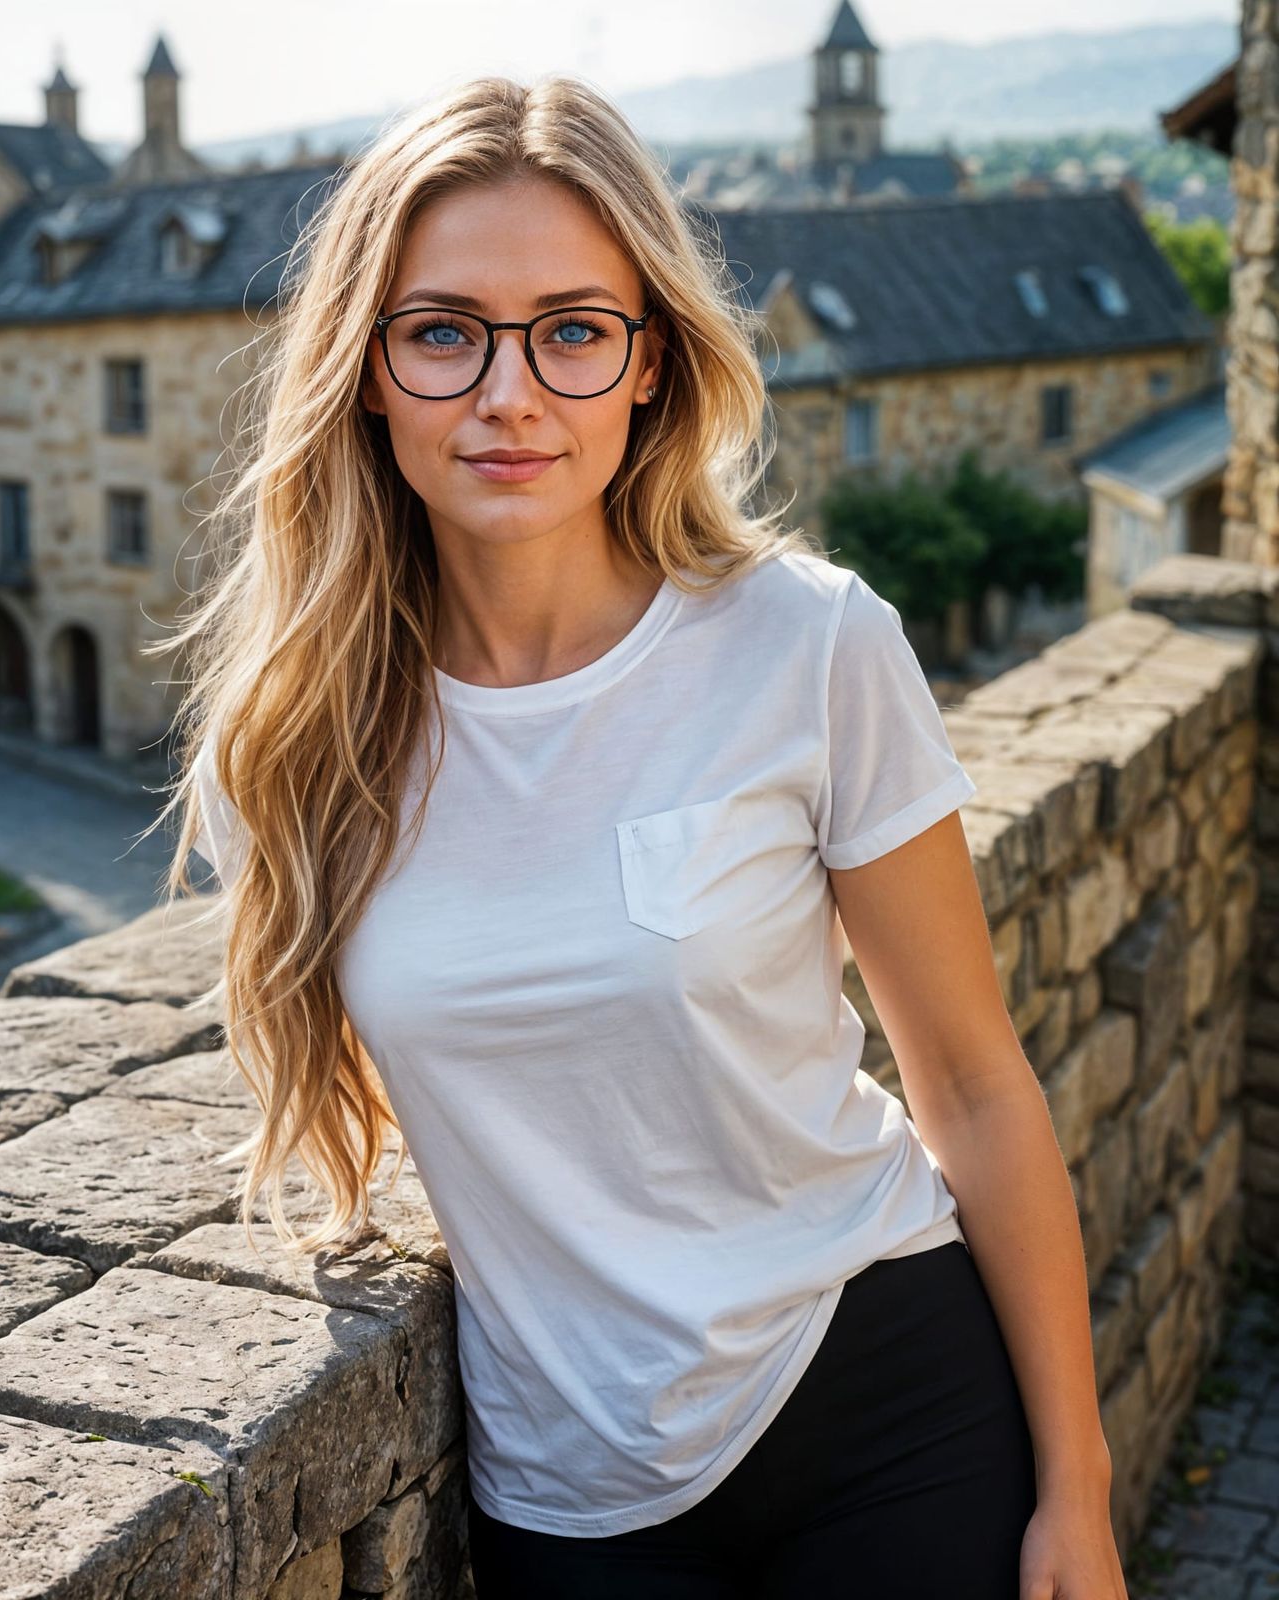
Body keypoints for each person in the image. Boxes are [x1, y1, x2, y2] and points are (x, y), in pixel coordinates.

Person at [155, 73, 1130, 1600]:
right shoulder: (293, 749)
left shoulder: (806, 648)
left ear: (649, 365)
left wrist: (1078, 1486)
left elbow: (973, 1083)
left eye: (571, 328)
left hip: (885, 1391)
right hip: (571, 1493)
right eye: (442, 330)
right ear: (365, 372)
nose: (509, 392)